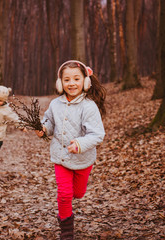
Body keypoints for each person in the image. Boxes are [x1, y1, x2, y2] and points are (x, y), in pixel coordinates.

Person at [35, 60, 106, 239]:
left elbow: (97, 134)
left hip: (83, 159)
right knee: (65, 195)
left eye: (76, 79)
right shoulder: (55, 104)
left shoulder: (88, 106)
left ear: (85, 81)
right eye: (67, 80)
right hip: (62, 158)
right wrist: (43, 130)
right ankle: (67, 231)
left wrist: (80, 144)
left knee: (78, 194)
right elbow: (49, 122)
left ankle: (69, 202)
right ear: (60, 83)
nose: (71, 83)